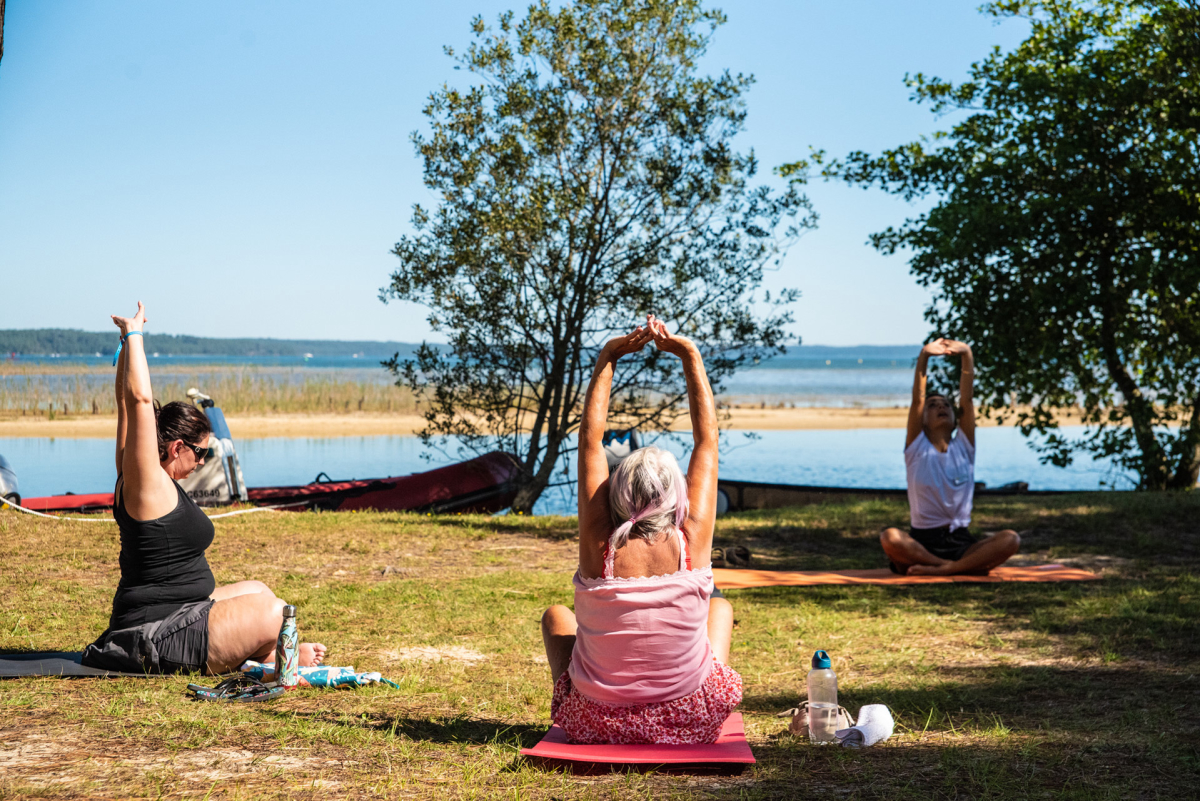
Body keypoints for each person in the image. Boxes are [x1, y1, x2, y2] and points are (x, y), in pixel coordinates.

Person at [82, 301, 327, 675]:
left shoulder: (147, 480)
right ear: (177, 448)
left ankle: (262, 654)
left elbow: (123, 404)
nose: (202, 462)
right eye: (201, 453)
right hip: (155, 633)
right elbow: (137, 401)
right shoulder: (146, 484)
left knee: (259, 589)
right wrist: (135, 336)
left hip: (185, 609)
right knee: (275, 612)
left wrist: (125, 346)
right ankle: (268, 657)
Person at [539, 315, 742, 744]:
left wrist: (608, 357)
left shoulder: (599, 545)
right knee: (720, 609)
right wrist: (689, 355)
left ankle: (581, 700)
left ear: (616, 492)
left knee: (557, 616)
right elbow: (707, 442)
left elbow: (590, 441)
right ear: (676, 495)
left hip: (597, 725)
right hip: (690, 723)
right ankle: (696, 690)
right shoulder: (692, 540)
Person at [880, 339, 1020, 576]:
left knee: (1011, 539)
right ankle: (950, 566)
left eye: (946, 404)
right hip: (923, 543)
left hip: (961, 542)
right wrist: (924, 356)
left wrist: (967, 354)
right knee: (890, 537)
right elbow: (917, 399)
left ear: (956, 418)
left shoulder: (964, 447)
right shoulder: (916, 448)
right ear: (923, 420)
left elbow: (966, 399)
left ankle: (945, 568)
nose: (941, 407)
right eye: (933, 405)